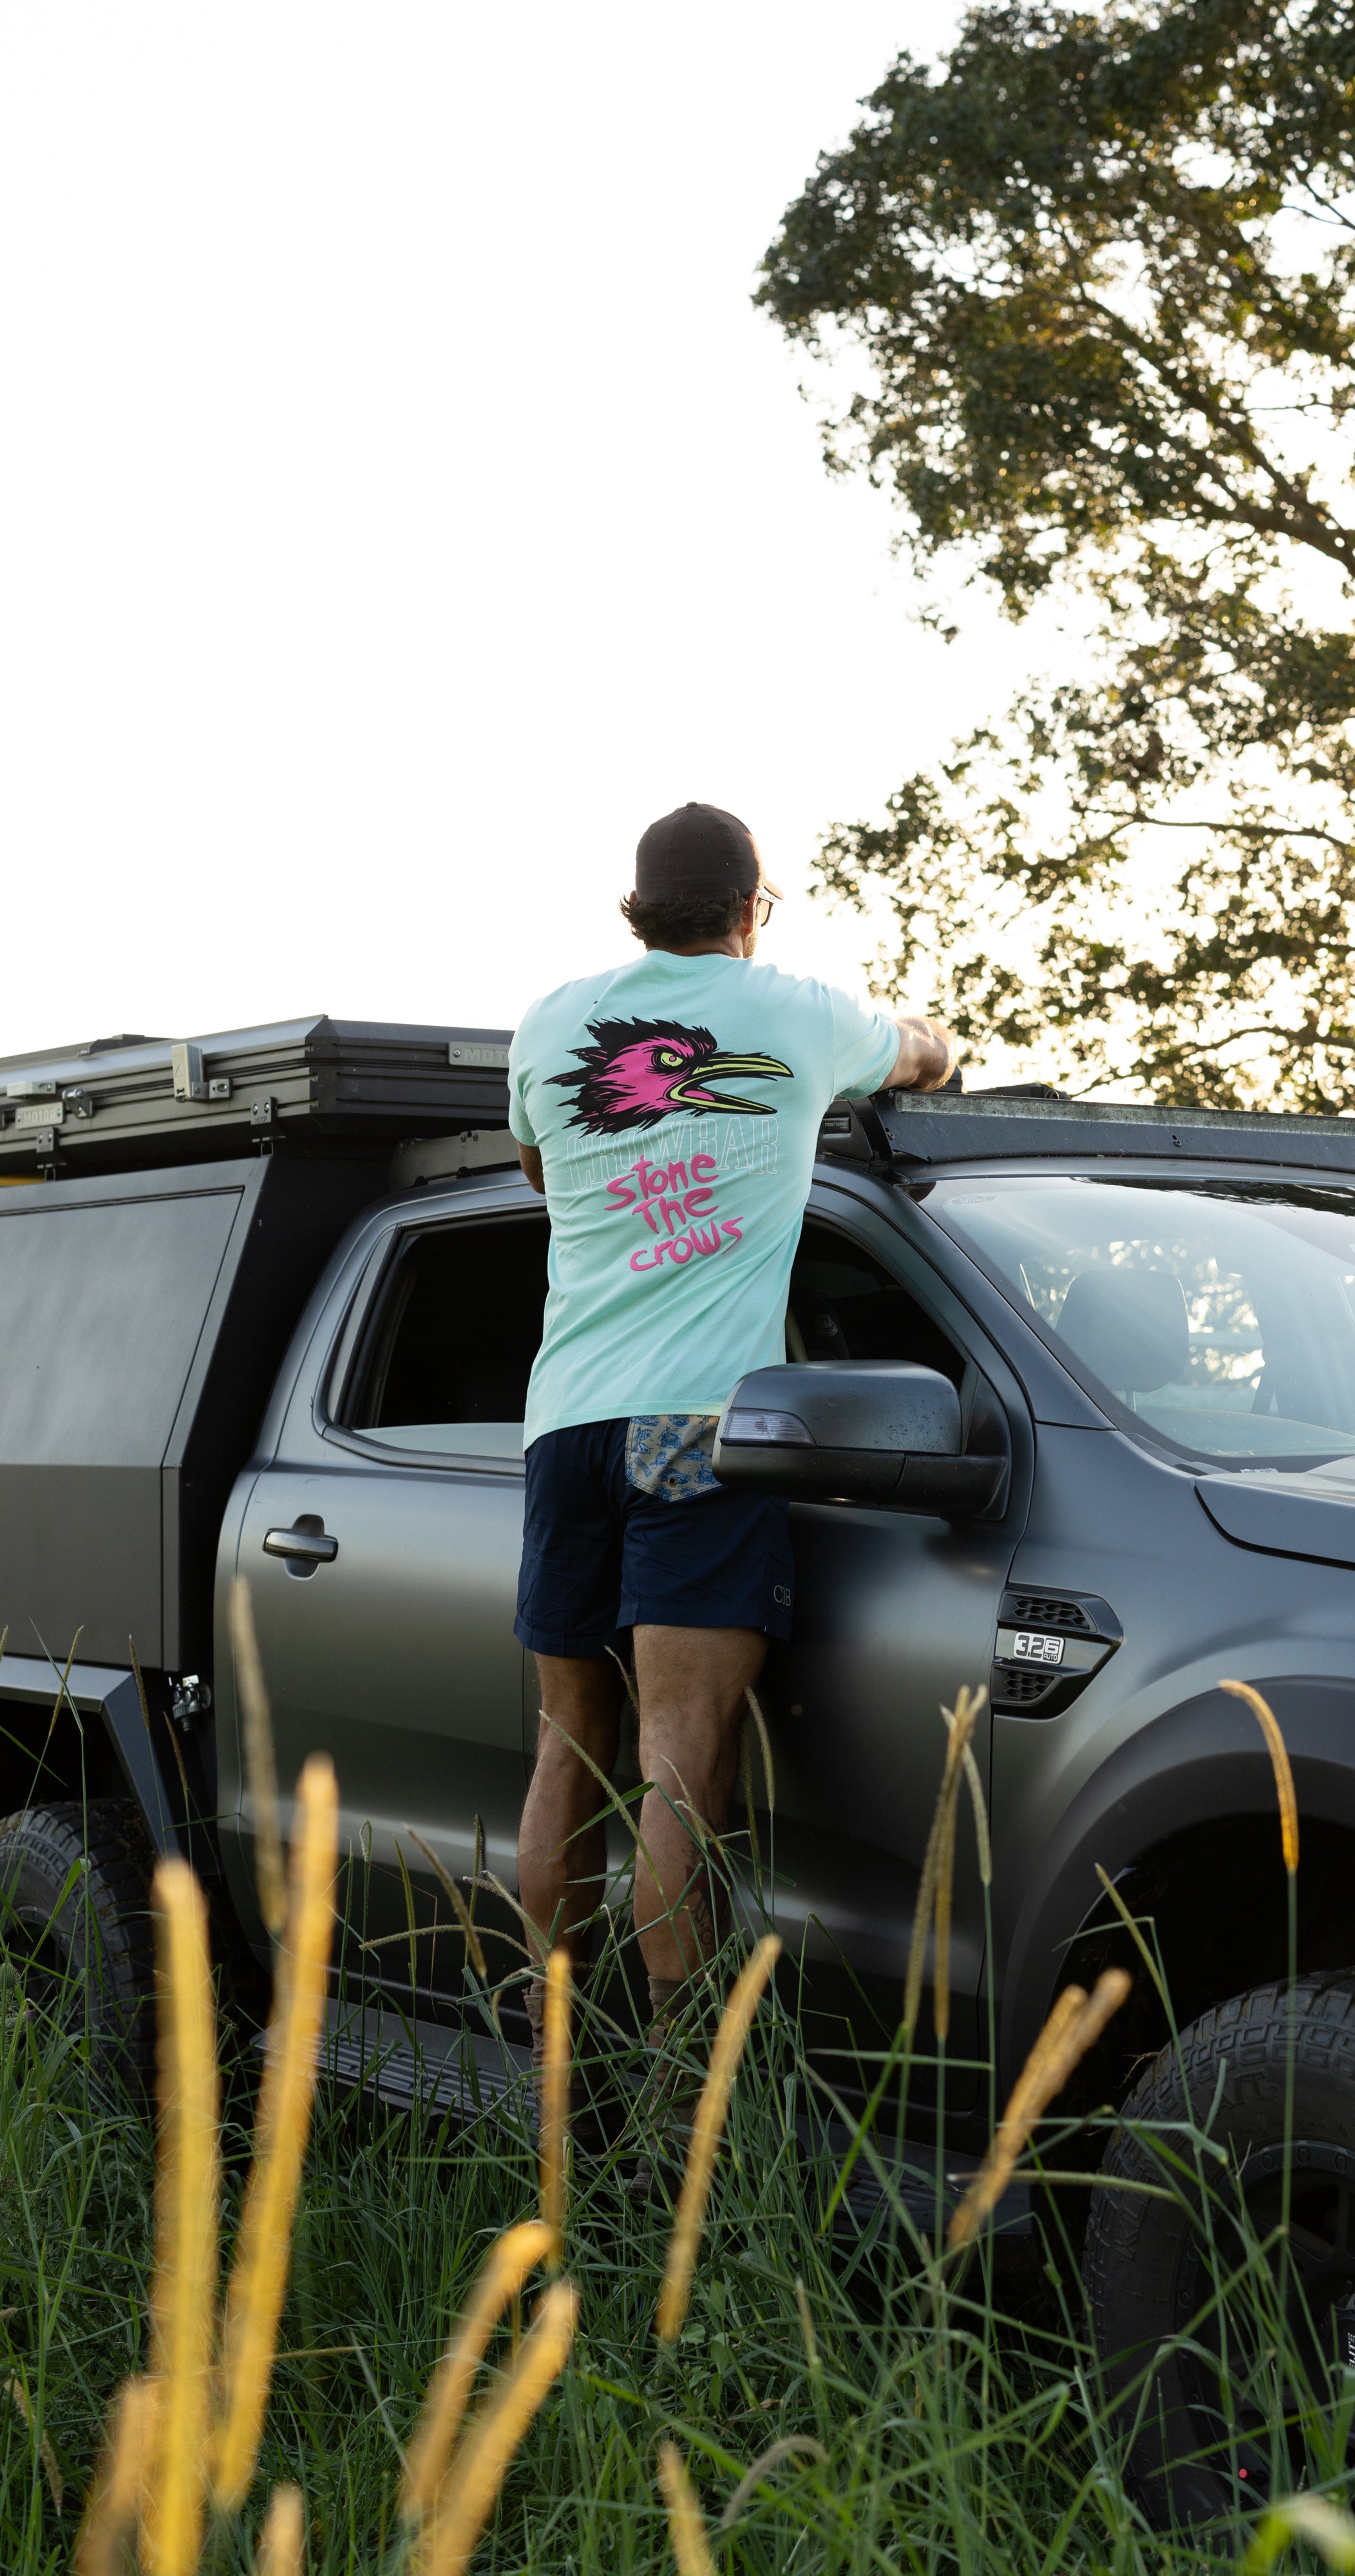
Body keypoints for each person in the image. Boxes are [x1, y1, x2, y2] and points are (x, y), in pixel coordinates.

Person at [508, 800, 952, 2175]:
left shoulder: (550, 1024)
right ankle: (675, 2113)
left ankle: (555, 2083)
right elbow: (925, 1053)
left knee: (564, 1746)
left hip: (566, 1425)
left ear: (635, 910)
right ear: (754, 908)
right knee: (679, 1755)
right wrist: (935, 1047)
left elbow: (542, 1168)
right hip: (693, 1429)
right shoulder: (796, 1012)